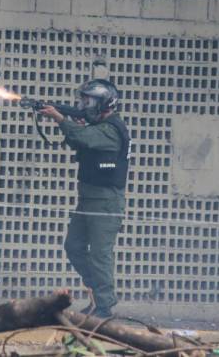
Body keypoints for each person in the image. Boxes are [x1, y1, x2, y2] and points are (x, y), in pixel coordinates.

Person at [38, 78, 130, 318]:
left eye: (88, 100)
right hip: (88, 199)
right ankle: (98, 292)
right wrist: (72, 125)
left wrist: (60, 119)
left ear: (104, 103)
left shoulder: (112, 128)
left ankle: (104, 306)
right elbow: (79, 140)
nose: (83, 104)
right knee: (74, 246)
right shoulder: (97, 126)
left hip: (106, 201)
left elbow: (88, 138)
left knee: (100, 254)